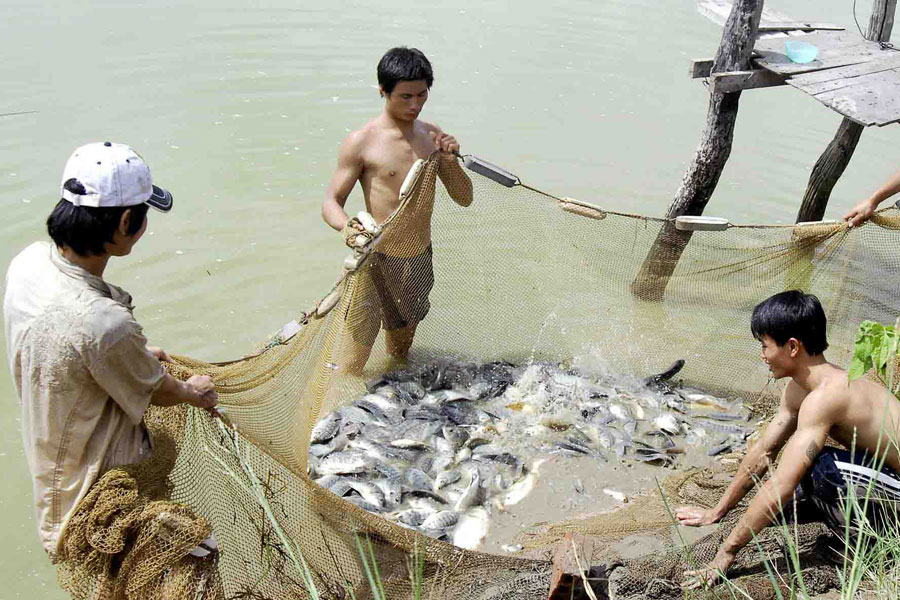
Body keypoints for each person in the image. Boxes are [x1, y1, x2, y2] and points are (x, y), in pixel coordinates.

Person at [3, 142, 219, 561]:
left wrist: (126, 356)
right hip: (99, 497)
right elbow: (160, 390)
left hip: (51, 471)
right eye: (141, 216)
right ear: (125, 222)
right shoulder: (104, 323)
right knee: (199, 556)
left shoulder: (28, 263)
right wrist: (194, 390)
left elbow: (63, 344)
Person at [676, 290, 900, 590]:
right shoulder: (798, 389)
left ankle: (873, 545)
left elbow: (781, 484)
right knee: (792, 485)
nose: (762, 355)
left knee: (820, 470)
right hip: (883, 476)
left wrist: (725, 555)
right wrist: (717, 511)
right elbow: (763, 452)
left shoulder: (827, 396)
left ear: (792, 347)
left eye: (765, 346)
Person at [321, 47, 473, 372]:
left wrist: (450, 160)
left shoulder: (432, 136)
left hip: (417, 260)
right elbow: (331, 203)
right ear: (383, 91)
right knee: (353, 362)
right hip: (376, 260)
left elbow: (464, 197)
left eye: (421, 95)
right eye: (405, 97)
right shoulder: (361, 142)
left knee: (399, 353)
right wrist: (348, 228)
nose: (414, 105)